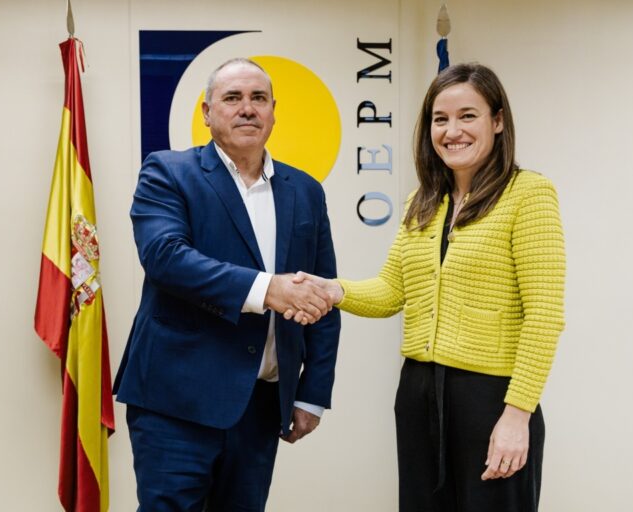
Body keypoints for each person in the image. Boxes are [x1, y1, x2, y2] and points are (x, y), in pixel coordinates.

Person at [290, 63, 565, 511]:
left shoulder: (528, 194)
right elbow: (391, 291)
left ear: (497, 121)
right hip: (418, 395)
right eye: (441, 119)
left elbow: (544, 315)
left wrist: (518, 416)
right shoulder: (424, 203)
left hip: (491, 397)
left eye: (468, 116)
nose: (452, 130)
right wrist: (332, 290)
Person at [113, 58, 341, 511]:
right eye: (232, 98)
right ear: (206, 112)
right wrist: (266, 289)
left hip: (259, 407)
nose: (247, 109)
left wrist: (313, 394)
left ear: (274, 111)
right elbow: (165, 258)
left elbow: (322, 295)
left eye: (258, 98)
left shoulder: (306, 191)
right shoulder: (167, 172)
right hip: (174, 404)